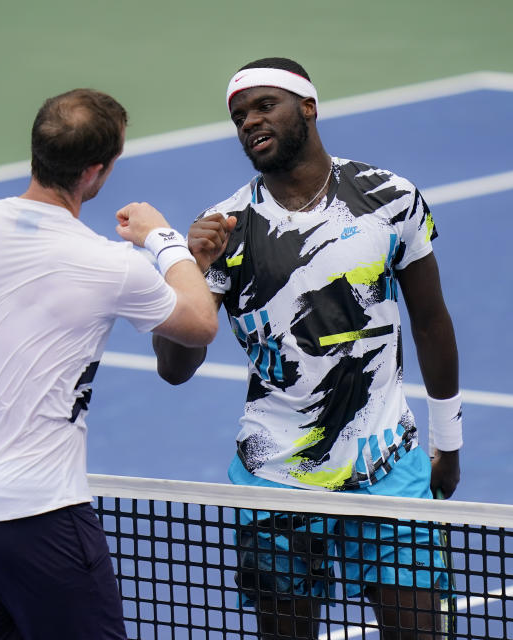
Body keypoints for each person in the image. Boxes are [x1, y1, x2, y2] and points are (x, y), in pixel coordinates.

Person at [0, 88, 219, 639]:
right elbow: (200, 321)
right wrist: (164, 239)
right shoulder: (111, 264)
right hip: (43, 520)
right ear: (97, 172)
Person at [152, 58, 463, 639]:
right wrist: (188, 269)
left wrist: (449, 441)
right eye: (239, 115)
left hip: (388, 467)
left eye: (264, 105)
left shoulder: (390, 199)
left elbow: (431, 321)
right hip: (275, 480)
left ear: (308, 108)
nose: (249, 121)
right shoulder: (227, 228)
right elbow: (174, 368)